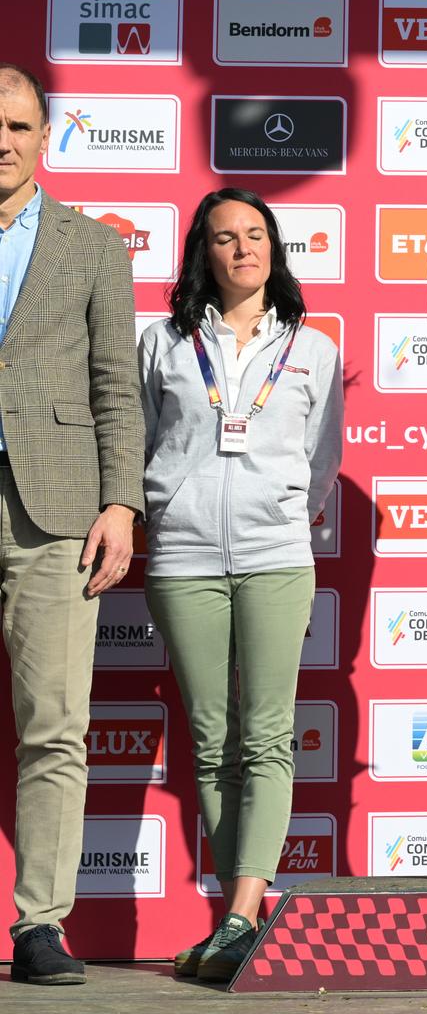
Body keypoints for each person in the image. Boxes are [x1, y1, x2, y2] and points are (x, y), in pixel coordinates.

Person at [138, 190, 343, 982]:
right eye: (225, 238)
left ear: (274, 249)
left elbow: (321, 460)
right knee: (213, 740)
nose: (242, 249)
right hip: (183, 554)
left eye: (256, 235)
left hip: (276, 552)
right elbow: (147, 441)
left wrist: (286, 510)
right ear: (204, 253)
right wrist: (163, 507)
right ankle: (241, 924)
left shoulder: (312, 348)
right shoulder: (162, 342)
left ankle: (235, 915)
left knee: (265, 736)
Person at [0, 62, 143, 985]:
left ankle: (41, 923)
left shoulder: (91, 247)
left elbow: (116, 391)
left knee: (55, 726)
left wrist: (121, 503)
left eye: (16, 126)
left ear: (44, 138)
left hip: (52, 511)